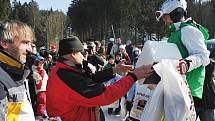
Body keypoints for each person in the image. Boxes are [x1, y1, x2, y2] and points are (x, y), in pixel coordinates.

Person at [46, 35, 153, 121]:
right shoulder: (66, 76)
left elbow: (90, 79)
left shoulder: (65, 70)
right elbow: (104, 95)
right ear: (73, 54)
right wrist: (133, 76)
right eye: (82, 52)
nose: (84, 56)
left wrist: (114, 69)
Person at [156, 0, 211, 120]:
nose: (164, 21)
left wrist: (187, 63)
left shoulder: (188, 30)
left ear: (175, 14)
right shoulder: (176, 32)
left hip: (189, 88)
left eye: (165, 16)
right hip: (178, 88)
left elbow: (203, 56)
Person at [0, 20, 35, 121]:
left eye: (30, 44)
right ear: (5, 43)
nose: (30, 49)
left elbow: (14, 115)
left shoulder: (15, 71)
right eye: (24, 42)